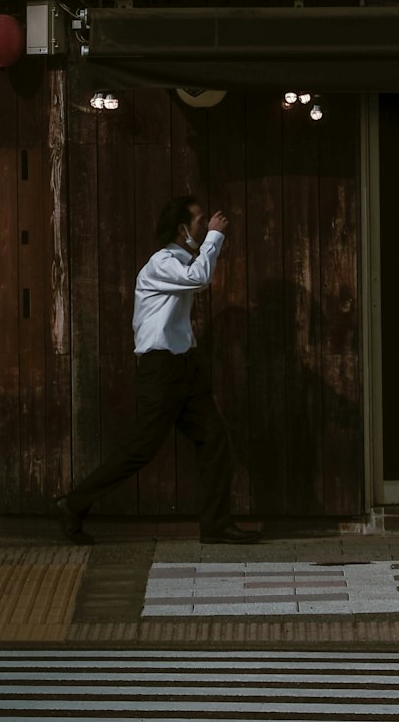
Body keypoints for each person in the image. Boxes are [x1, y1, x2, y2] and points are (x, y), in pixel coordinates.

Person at [55, 195, 259, 545]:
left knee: (214, 440)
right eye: (197, 221)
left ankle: (215, 525)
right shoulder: (161, 263)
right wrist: (215, 237)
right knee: (140, 449)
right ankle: (72, 504)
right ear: (182, 230)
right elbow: (199, 278)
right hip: (161, 368)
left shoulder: (178, 262)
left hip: (185, 368)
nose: (203, 224)